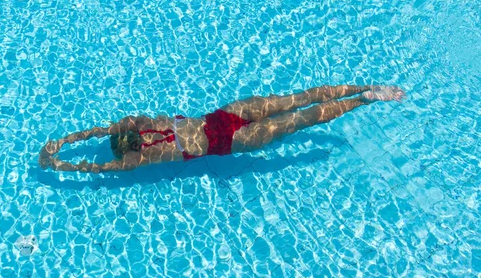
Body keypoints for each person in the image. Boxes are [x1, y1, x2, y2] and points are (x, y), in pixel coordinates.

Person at [39, 84, 405, 173]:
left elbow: (96, 168)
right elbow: (98, 134)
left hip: (228, 139)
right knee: (296, 101)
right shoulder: (138, 125)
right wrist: (64, 143)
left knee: (301, 117)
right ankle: (363, 90)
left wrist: (59, 162)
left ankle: (364, 98)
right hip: (222, 118)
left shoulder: (135, 159)